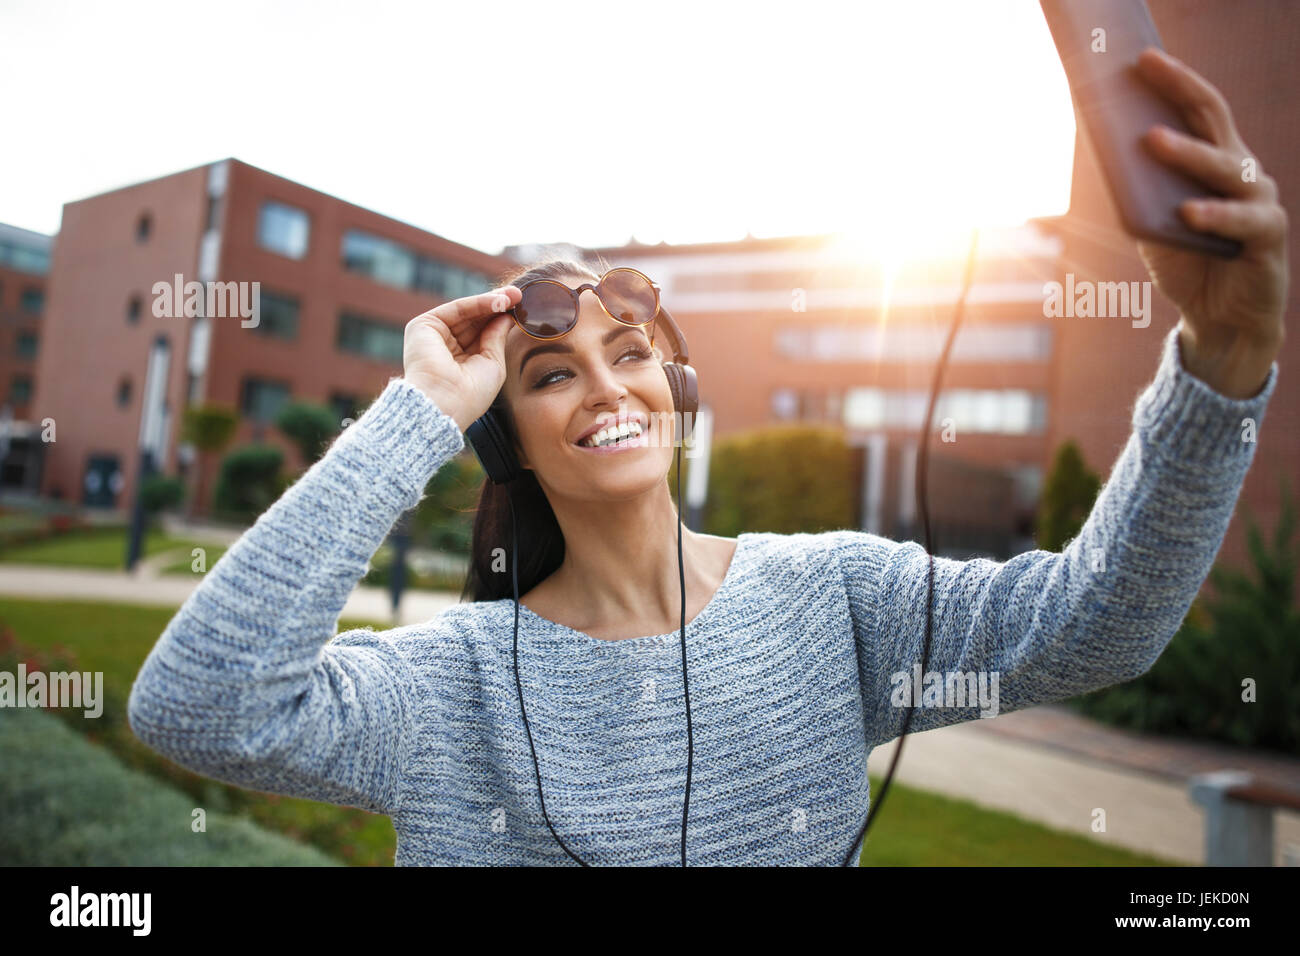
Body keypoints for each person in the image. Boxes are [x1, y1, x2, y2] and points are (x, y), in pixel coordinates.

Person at [128, 47, 1286, 865]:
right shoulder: (452, 686)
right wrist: (420, 408)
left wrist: (1221, 354)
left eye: (628, 351)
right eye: (548, 373)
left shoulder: (832, 596)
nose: (604, 386)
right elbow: (201, 705)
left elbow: (1099, 624)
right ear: (507, 438)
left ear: (676, 391)